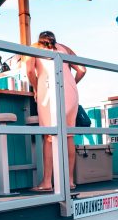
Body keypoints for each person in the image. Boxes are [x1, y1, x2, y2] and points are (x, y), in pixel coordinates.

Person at [27, 30, 86, 191]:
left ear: (40, 40)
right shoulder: (64, 48)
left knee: (49, 137)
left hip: (49, 92)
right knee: (68, 136)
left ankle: (47, 182)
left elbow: (30, 71)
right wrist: (71, 84)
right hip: (71, 93)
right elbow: (82, 70)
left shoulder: (34, 48)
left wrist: (35, 87)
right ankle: (70, 181)